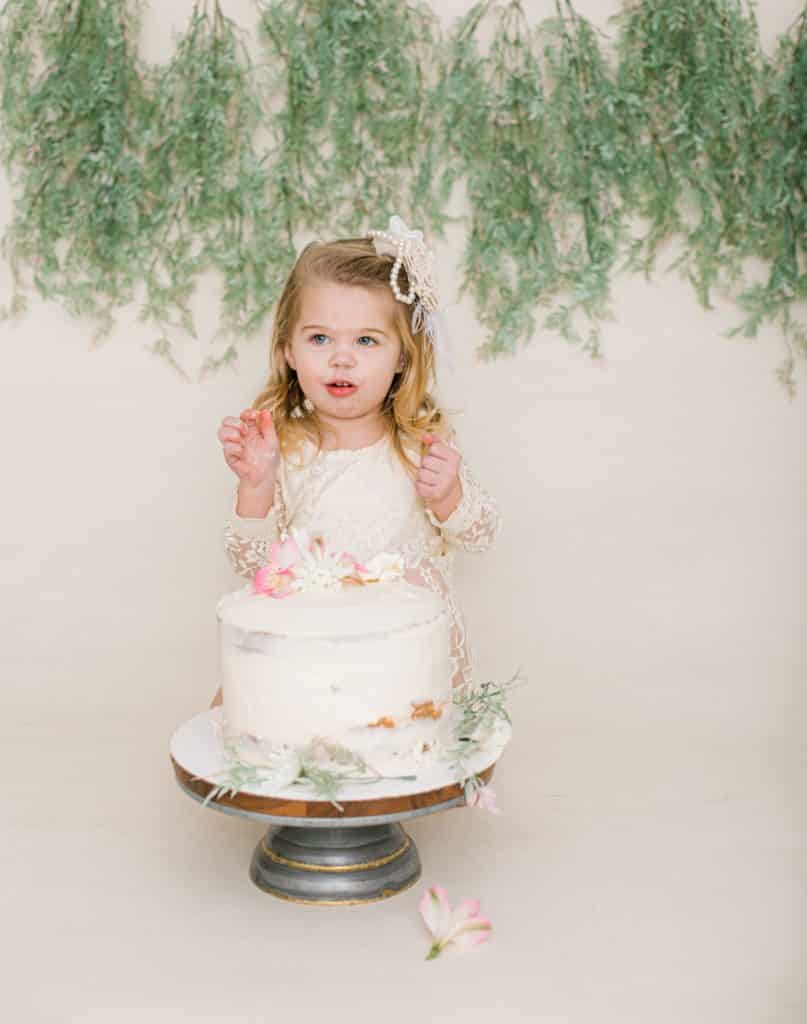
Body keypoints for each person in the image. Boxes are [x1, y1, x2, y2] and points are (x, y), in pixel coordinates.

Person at [211, 215, 502, 708]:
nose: (341, 358)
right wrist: (256, 484)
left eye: (366, 341)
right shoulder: (284, 448)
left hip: (403, 655)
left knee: (398, 748)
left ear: (403, 357)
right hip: (311, 647)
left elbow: (481, 534)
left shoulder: (417, 447)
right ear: (288, 351)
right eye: (320, 339)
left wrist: (449, 494)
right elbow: (252, 565)